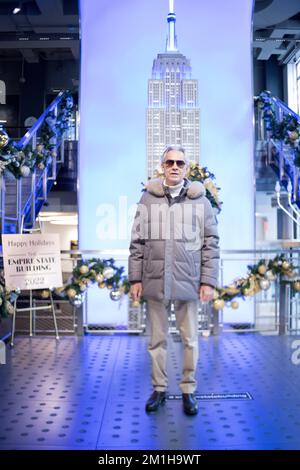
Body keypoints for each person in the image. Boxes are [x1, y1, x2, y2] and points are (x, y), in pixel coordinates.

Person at [128, 145, 220, 415]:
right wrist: (136, 278)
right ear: (162, 166)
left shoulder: (201, 202)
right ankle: (159, 389)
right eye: (170, 162)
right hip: (155, 280)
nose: (175, 166)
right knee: (157, 339)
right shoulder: (148, 199)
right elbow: (137, 242)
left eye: (180, 162)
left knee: (190, 339)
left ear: (187, 167)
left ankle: (188, 389)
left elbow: (211, 244)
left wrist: (208, 281)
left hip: (188, 280)